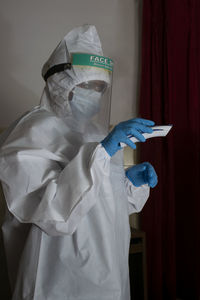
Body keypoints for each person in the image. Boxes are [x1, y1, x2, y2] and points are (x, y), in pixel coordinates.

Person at [0, 25, 157, 300]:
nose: (94, 95)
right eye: (86, 85)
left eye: (100, 87)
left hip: (108, 265)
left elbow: (103, 205)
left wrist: (128, 186)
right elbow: (52, 212)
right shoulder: (32, 133)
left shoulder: (96, 135)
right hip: (58, 273)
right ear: (61, 85)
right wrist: (102, 153)